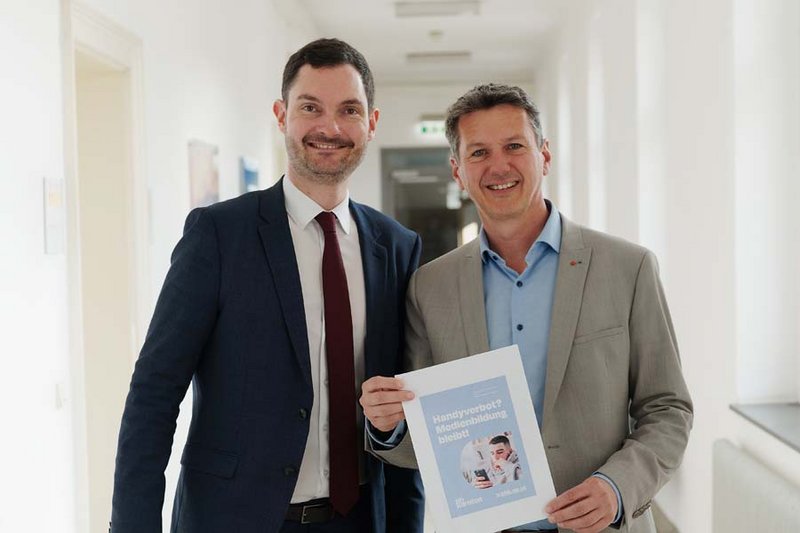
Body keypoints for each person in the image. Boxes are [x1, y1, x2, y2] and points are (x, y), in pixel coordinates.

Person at [110, 38, 424, 533]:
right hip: (232, 518)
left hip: (360, 519)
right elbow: (154, 391)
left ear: (372, 123)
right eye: (310, 107)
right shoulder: (219, 235)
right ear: (282, 116)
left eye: (349, 110)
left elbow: (406, 401)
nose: (330, 128)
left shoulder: (397, 247)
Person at [360, 84, 693, 533]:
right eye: (479, 152)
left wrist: (617, 487)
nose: (499, 166)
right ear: (458, 171)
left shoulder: (627, 268)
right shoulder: (429, 288)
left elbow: (668, 408)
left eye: (514, 146)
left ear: (544, 155)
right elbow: (426, 440)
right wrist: (390, 426)